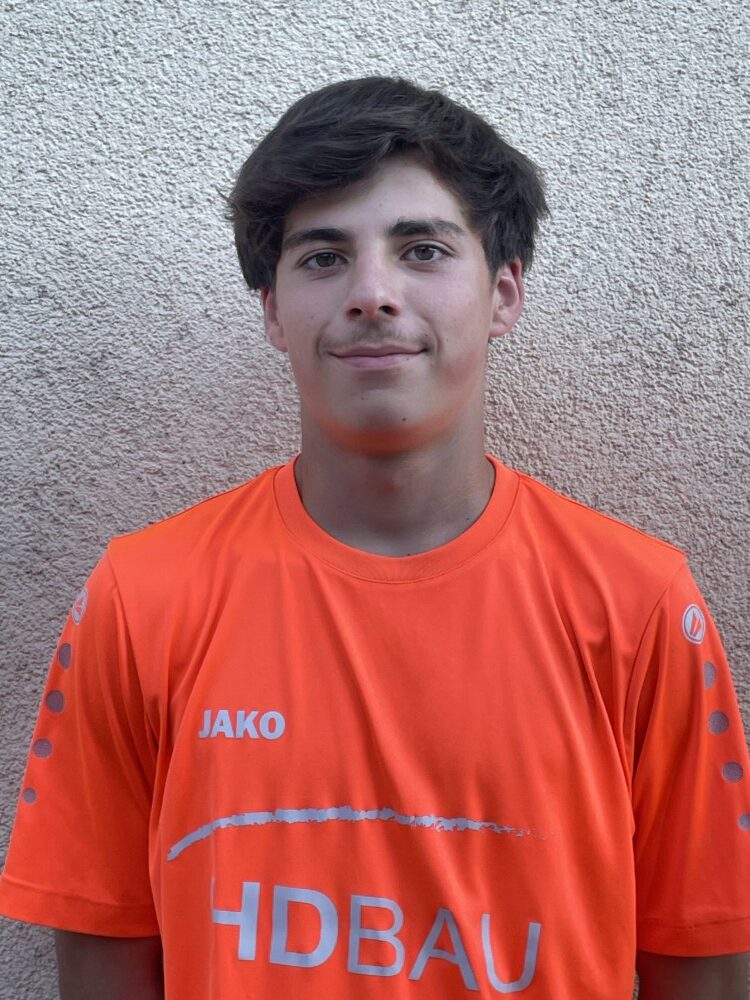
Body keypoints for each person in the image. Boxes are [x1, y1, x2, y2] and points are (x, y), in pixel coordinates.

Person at [0, 76, 748, 1000]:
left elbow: (703, 958)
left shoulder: (638, 604)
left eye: (422, 249)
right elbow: (103, 949)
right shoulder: (141, 595)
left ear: (504, 292)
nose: (371, 294)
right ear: (273, 311)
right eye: (323, 257)